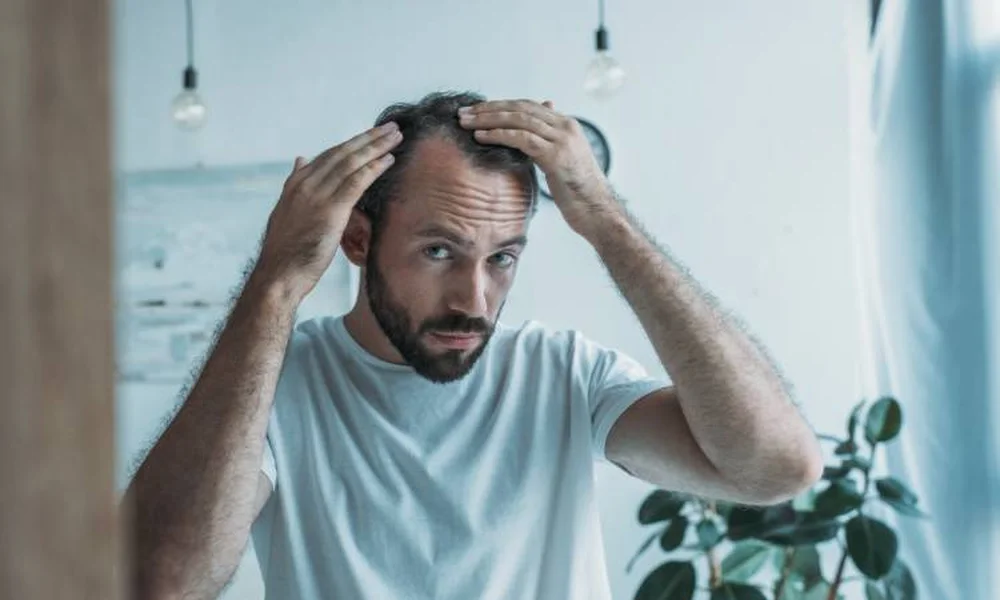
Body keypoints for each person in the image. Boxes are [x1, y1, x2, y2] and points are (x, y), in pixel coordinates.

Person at [125, 91, 823, 599]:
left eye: (502, 258)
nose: (476, 300)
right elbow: (158, 582)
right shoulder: (278, 386)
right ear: (358, 241)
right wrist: (276, 282)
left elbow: (776, 468)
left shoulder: (565, 373)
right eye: (439, 251)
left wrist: (605, 221)